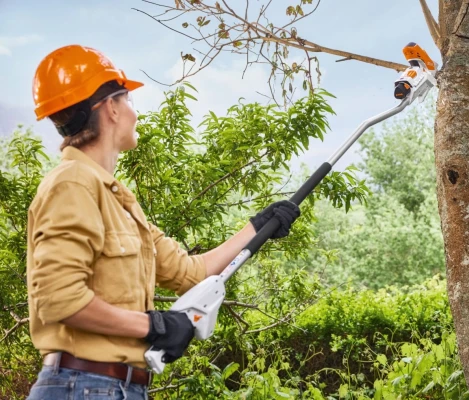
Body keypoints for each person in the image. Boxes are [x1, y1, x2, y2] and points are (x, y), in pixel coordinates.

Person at [26, 45, 300, 400]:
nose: (134, 114)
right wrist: (153, 325)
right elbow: (59, 299)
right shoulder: (73, 183)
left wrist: (258, 227)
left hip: (112, 388)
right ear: (110, 107)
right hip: (83, 386)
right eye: (129, 102)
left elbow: (191, 272)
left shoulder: (117, 201)